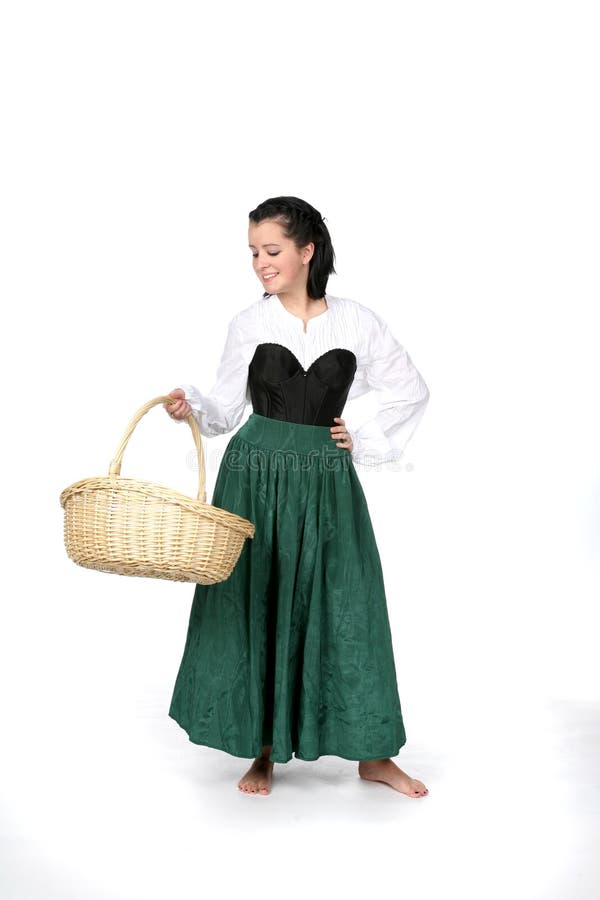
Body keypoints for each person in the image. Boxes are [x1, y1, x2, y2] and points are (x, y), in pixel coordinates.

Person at [164, 196, 430, 798]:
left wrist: (360, 439)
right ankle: (261, 748)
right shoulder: (248, 325)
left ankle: (373, 753)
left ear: (307, 251)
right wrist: (191, 405)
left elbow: (411, 391)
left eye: (272, 250)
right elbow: (226, 410)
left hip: (325, 480)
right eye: (254, 252)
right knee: (257, 598)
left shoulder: (358, 322)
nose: (261, 262)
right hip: (254, 478)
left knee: (347, 600)